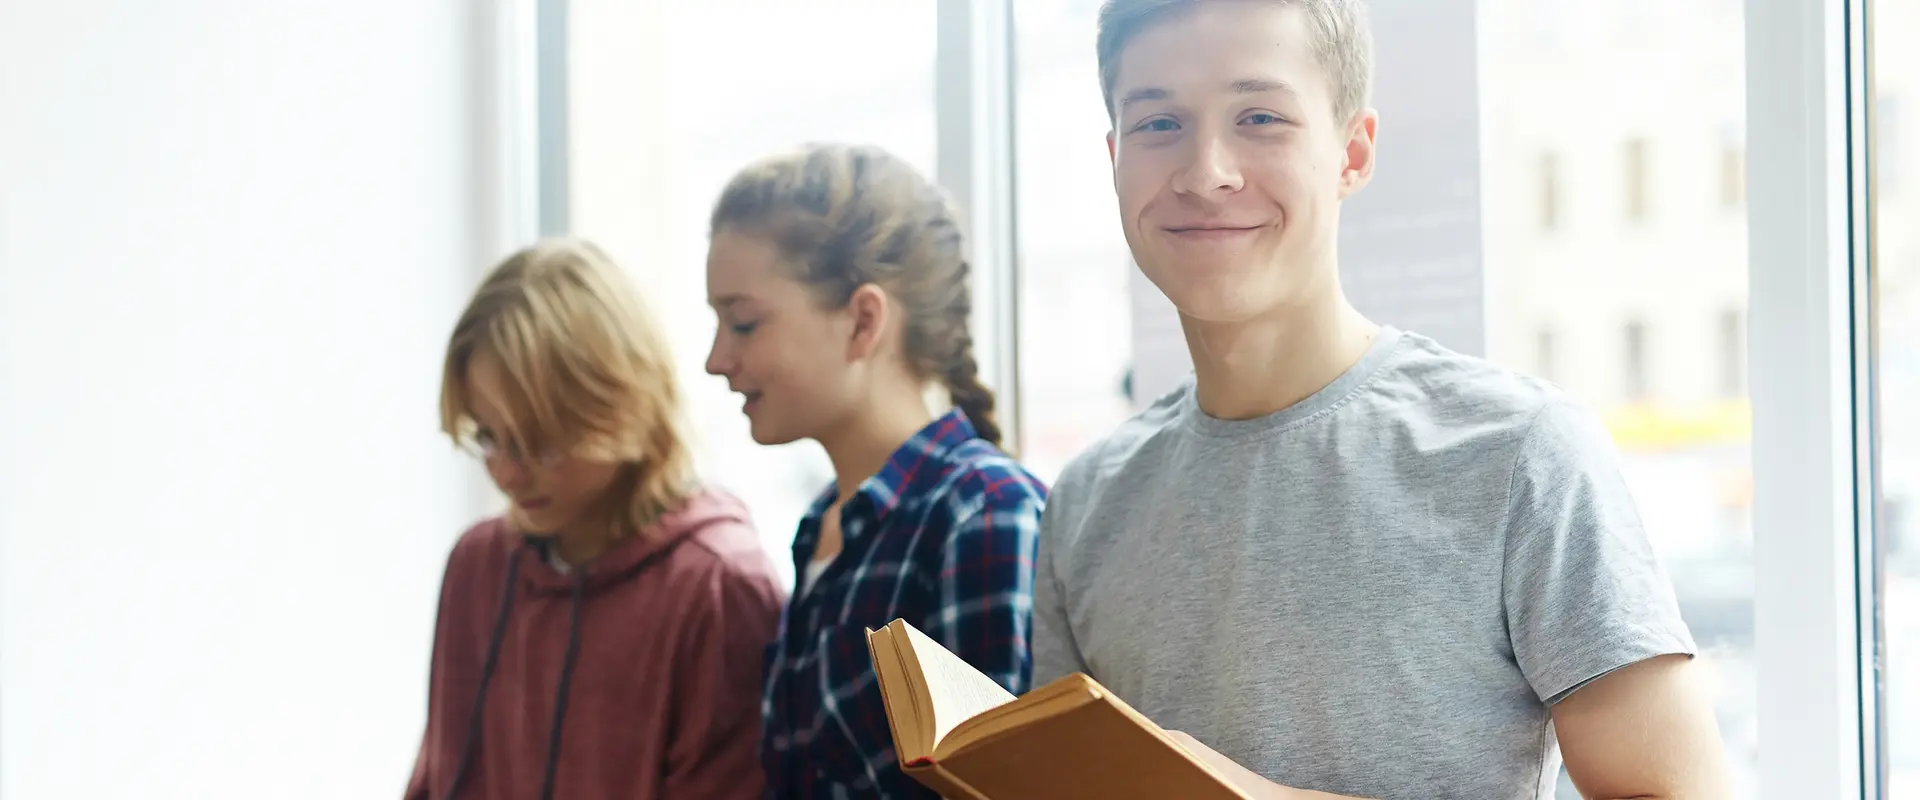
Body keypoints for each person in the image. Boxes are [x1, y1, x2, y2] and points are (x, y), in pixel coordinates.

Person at [1030, 2, 1735, 799]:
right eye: (1160, 125)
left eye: (1259, 116)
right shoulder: (1087, 502)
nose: (1206, 171)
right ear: (1116, 157)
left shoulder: (1518, 451)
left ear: (1353, 153)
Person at [703, 143, 1049, 798]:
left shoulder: (984, 514)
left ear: (864, 321)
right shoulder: (821, 527)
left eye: (743, 322)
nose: (716, 359)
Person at [406, 238, 785, 800]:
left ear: (622, 404)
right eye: (488, 437)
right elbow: (434, 779)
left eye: (541, 440)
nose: (508, 474)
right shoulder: (477, 565)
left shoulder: (718, 589)